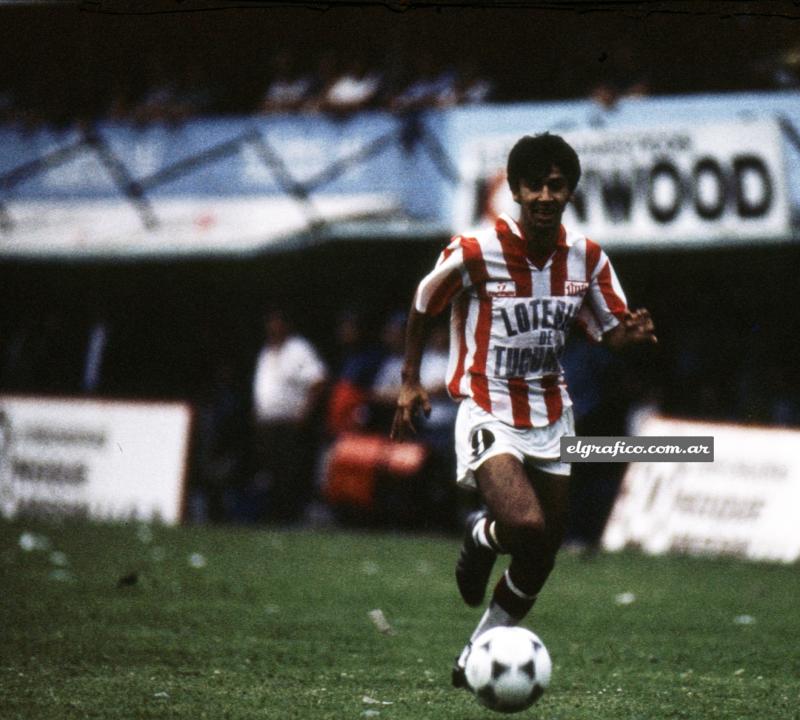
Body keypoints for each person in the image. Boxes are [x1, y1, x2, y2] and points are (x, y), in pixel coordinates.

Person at [389, 133, 656, 689]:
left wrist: (626, 335)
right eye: (532, 185)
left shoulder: (587, 259)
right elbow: (422, 304)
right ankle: (483, 536)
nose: (542, 196)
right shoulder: (473, 252)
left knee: (541, 555)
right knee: (525, 525)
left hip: (553, 414)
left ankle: (475, 655)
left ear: (570, 192)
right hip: (488, 406)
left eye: (555, 185)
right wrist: (411, 382)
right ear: (513, 190)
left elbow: (609, 329)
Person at [251, 307, 328, 522]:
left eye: (277, 322)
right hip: (268, 422)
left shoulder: (298, 349)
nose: (272, 327)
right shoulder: (267, 351)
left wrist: (304, 412)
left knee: (289, 472)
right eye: (270, 322)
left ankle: (290, 517)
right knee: (270, 471)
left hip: (289, 422)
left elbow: (318, 380)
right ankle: (274, 514)